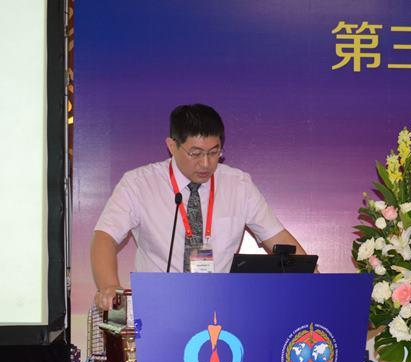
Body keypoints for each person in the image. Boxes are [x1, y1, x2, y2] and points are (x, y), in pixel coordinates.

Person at [91, 104, 307, 311]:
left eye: (214, 152)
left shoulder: (239, 185)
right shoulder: (139, 184)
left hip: (220, 309)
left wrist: (314, 280)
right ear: (172, 146)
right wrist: (109, 286)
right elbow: (104, 237)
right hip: (157, 308)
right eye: (195, 153)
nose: (206, 163)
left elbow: (279, 239)